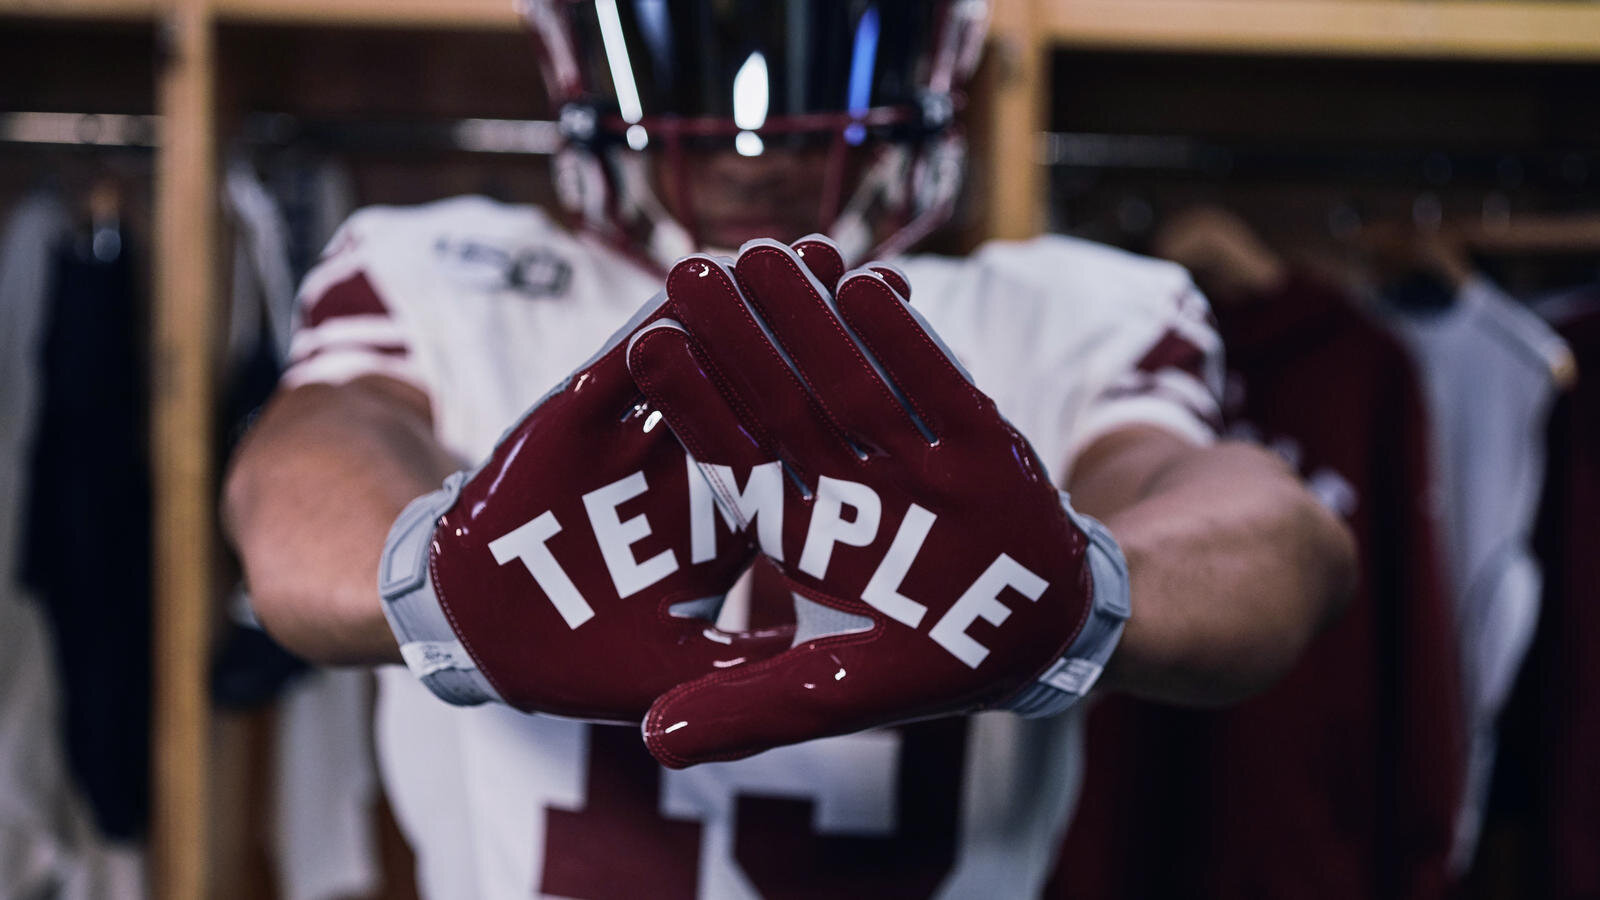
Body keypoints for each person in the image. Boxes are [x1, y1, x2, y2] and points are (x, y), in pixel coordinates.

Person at [222, 2, 1356, 897]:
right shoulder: (443, 271)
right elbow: (299, 486)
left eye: (821, 54)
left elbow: (1275, 547)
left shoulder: (1068, 308)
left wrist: (1095, 588)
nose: (748, 141)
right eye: (693, 60)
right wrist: (437, 574)